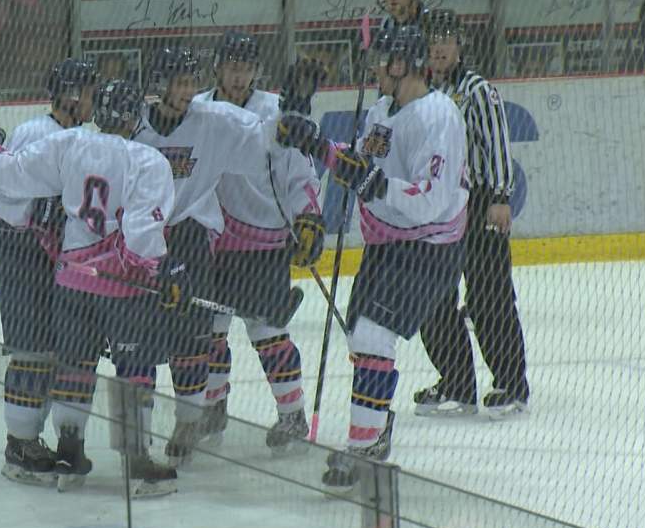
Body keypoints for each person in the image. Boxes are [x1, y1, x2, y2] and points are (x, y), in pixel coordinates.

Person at [277, 25, 468, 491]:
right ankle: (374, 429)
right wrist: (317, 144)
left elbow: (432, 198)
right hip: (387, 244)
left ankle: (363, 447)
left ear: (403, 63)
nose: (375, 67)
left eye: (383, 59)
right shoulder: (383, 109)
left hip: (427, 248)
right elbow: (359, 168)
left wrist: (375, 184)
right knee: (362, 341)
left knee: (372, 335)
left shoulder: (438, 117)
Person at [0, 78, 181, 497]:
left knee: (75, 367)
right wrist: (164, 270)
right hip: (124, 289)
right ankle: (136, 460)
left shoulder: (69, 143)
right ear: (134, 115)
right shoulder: (147, 159)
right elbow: (141, 232)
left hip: (71, 281)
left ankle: (70, 454)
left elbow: (13, 174)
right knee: (134, 370)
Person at [131, 45, 290, 467]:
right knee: (139, 341)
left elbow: (267, 136)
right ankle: (137, 434)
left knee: (193, 340)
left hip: (188, 237)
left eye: (190, 82)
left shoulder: (214, 122)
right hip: (140, 240)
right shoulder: (134, 126)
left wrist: (298, 108)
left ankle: (188, 420)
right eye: (178, 82)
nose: (187, 90)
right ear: (159, 84)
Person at [189, 31, 323, 456]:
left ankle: (293, 412)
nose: (238, 74)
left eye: (246, 67)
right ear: (218, 67)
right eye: (232, 65)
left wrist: (309, 219)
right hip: (211, 240)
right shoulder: (199, 109)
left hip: (263, 239)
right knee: (209, 331)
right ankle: (212, 406)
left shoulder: (275, 110)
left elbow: (302, 168)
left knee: (268, 332)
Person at [0, 59, 98, 486]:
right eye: (88, 91)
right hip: (22, 253)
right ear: (71, 93)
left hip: (57, 259)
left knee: (59, 348)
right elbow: (6, 191)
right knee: (32, 350)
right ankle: (19, 446)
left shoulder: (83, 137)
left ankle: (48, 437)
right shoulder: (36, 132)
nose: (92, 99)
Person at [415, 10, 531, 419]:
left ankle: (511, 383)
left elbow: (498, 142)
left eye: (447, 38)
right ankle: (457, 382)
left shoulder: (477, 90)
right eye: (433, 38)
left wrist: (500, 195)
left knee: (489, 296)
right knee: (433, 295)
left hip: (479, 200)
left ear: (460, 43)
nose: (440, 46)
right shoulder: (422, 91)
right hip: (438, 204)